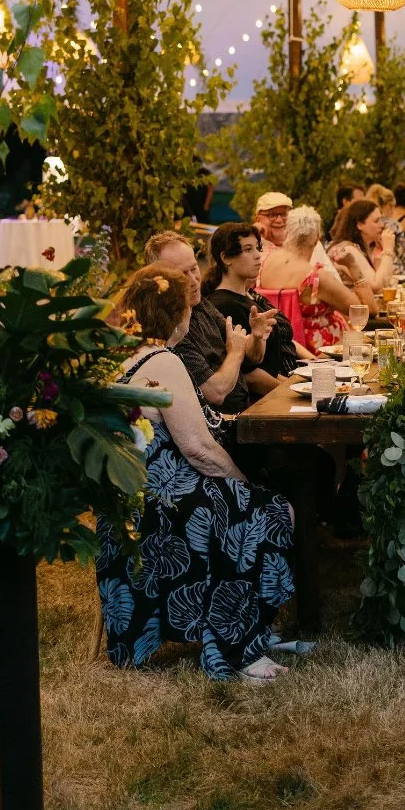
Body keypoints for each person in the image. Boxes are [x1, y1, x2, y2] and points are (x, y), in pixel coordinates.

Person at [97, 265, 296, 682]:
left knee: (250, 505)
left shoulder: (117, 355)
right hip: (164, 502)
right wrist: (242, 483)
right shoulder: (162, 360)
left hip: (124, 499)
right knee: (272, 510)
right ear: (175, 316)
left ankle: (248, 629)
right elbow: (199, 449)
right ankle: (238, 641)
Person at [146, 231, 274, 414]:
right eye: (181, 274)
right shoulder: (171, 331)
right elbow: (216, 393)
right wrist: (236, 352)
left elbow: (251, 358)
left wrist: (257, 337)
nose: (193, 280)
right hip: (220, 428)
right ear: (159, 280)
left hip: (244, 414)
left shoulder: (200, 305)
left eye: (194, 268)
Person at [257, 204, 375, 351]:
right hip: (319, 354)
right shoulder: (316, 279)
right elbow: (366, 311)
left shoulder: (265, 261)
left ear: (287, 233)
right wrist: (353, 266)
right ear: (316, 238)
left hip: (276, 345)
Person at [205, 221, 303, 385]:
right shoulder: (224, 304)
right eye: (248, 249)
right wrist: (288, 390)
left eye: (258, 248)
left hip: (289, 379)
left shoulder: (250, 295)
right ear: (226, 258)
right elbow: (248, 374)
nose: (258, 255)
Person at [329, 198, 399, 290]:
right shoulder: (347, 249)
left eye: (381, 220)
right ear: (360, 225)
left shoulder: (365, 248)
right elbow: (375, 286)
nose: (382, 225)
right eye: (376, 221)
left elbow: (387, 283)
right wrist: (388, 250)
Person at [253, 191, 292, 261]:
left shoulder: (302, 242)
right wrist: (253, 231)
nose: (279, 220)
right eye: (272, 215)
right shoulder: (252, 245)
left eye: (284, 214)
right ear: (258, 219)